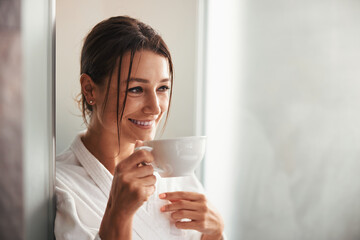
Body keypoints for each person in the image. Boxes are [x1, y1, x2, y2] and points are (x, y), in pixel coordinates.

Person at [55, 16, 225, 240]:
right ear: (89, 90)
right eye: (136, 89)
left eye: (162, 88)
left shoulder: (175, 174)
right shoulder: (58, 186)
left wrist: (214, 233)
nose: (155, 107)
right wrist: (119, 215)